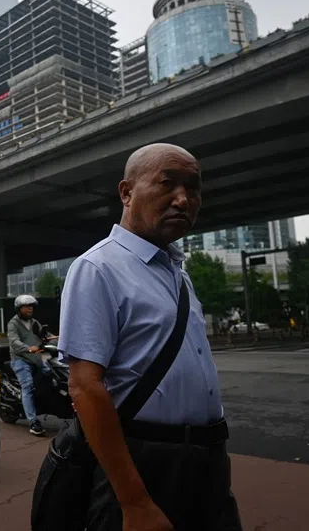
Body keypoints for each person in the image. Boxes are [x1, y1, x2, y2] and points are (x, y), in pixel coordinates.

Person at [58, 143, 242, 531]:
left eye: (193, 188)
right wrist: (135, 502)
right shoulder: (98, 267)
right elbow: (85, 387)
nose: (183, 199)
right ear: (126, 192)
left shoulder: (177, 272)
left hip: (208, 460)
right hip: (145, 461)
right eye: (167, 184)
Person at [6, 295, 55, 436]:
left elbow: (45, 335)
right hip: (21, 360)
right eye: (27, 306)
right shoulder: (13, 324)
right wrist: (28, 348)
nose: (30, 308)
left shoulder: (34, 323)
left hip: (36, 359)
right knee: (28, 386)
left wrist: (59, 340)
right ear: (19, 308)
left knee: (54, 376)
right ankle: (33, 421)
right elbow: (14, 342)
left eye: (31, 306)